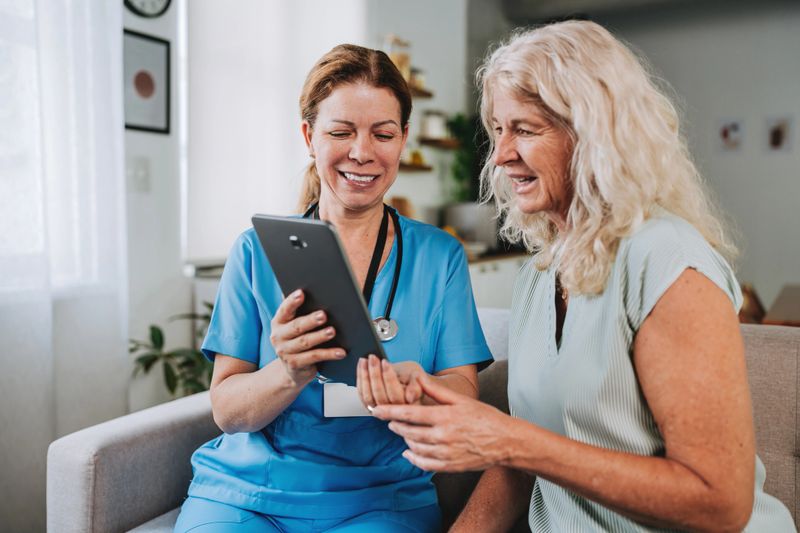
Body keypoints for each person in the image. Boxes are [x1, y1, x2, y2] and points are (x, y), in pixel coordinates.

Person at [371, 20, 795, 532]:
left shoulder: (665, 259)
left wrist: (508, 438)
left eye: (525, 129)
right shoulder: (538, 274)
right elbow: (520, 465)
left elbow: (720, 504)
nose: (501, 155)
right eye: (499, 130)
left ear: (594, 135)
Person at [174, 44, 492, 533]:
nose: (362, 152)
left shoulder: (438, 257)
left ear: (403, 139)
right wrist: (290, 371)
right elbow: (228, 412)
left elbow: (464, 396)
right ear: (309, 136)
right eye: (341, 132)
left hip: (380, 499)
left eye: (382, 134)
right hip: (246, 495)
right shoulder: (256, 251)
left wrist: (414, 387)